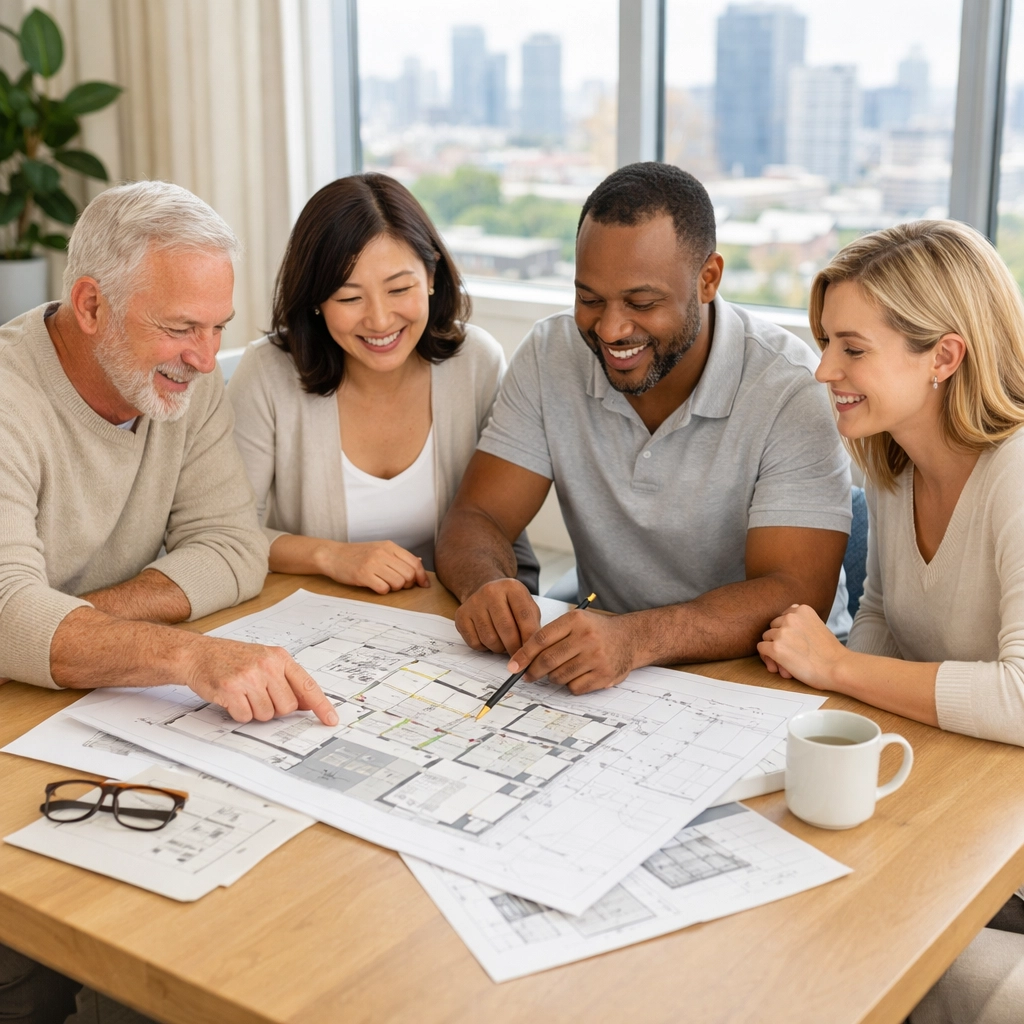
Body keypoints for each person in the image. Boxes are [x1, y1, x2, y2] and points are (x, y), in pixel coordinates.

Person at [0, 180, 339, 1024]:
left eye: (218, 326)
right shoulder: (8, 399)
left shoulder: (186, 387)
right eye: (181, 326)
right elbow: (8, 614)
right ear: (90, 305)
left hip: (70, 707)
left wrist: (78, 624)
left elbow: (232, 549)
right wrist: (188, 655)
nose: (203, 353)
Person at [434, 162, 852, 691]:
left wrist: (636, 638)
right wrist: (487, 583)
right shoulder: (549, 354)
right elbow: (476, 516)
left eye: (642, 302)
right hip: (612, 670)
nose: (610, 329)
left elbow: (794, 592)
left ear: (708, 279)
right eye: (589, 299)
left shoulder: (790, 388)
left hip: (771, 676)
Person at [754, 220, 1024, 1024]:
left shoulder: (1016, 477)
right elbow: (882, 618)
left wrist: (834, 668)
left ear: (943, 356)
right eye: (824, 343)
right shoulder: (891, 461)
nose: (824, 369)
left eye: (852, 349)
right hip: (961, 797)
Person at [226, 173, 537, 595]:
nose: (379, 320)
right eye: (349, 298)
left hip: (448, 624)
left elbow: (502, 527)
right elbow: (226, 534)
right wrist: (331, 556)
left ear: (431, 276)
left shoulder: (477, 363)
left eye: (399, 289)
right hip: (314, 622)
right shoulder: (266, 374)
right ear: (316, 301)